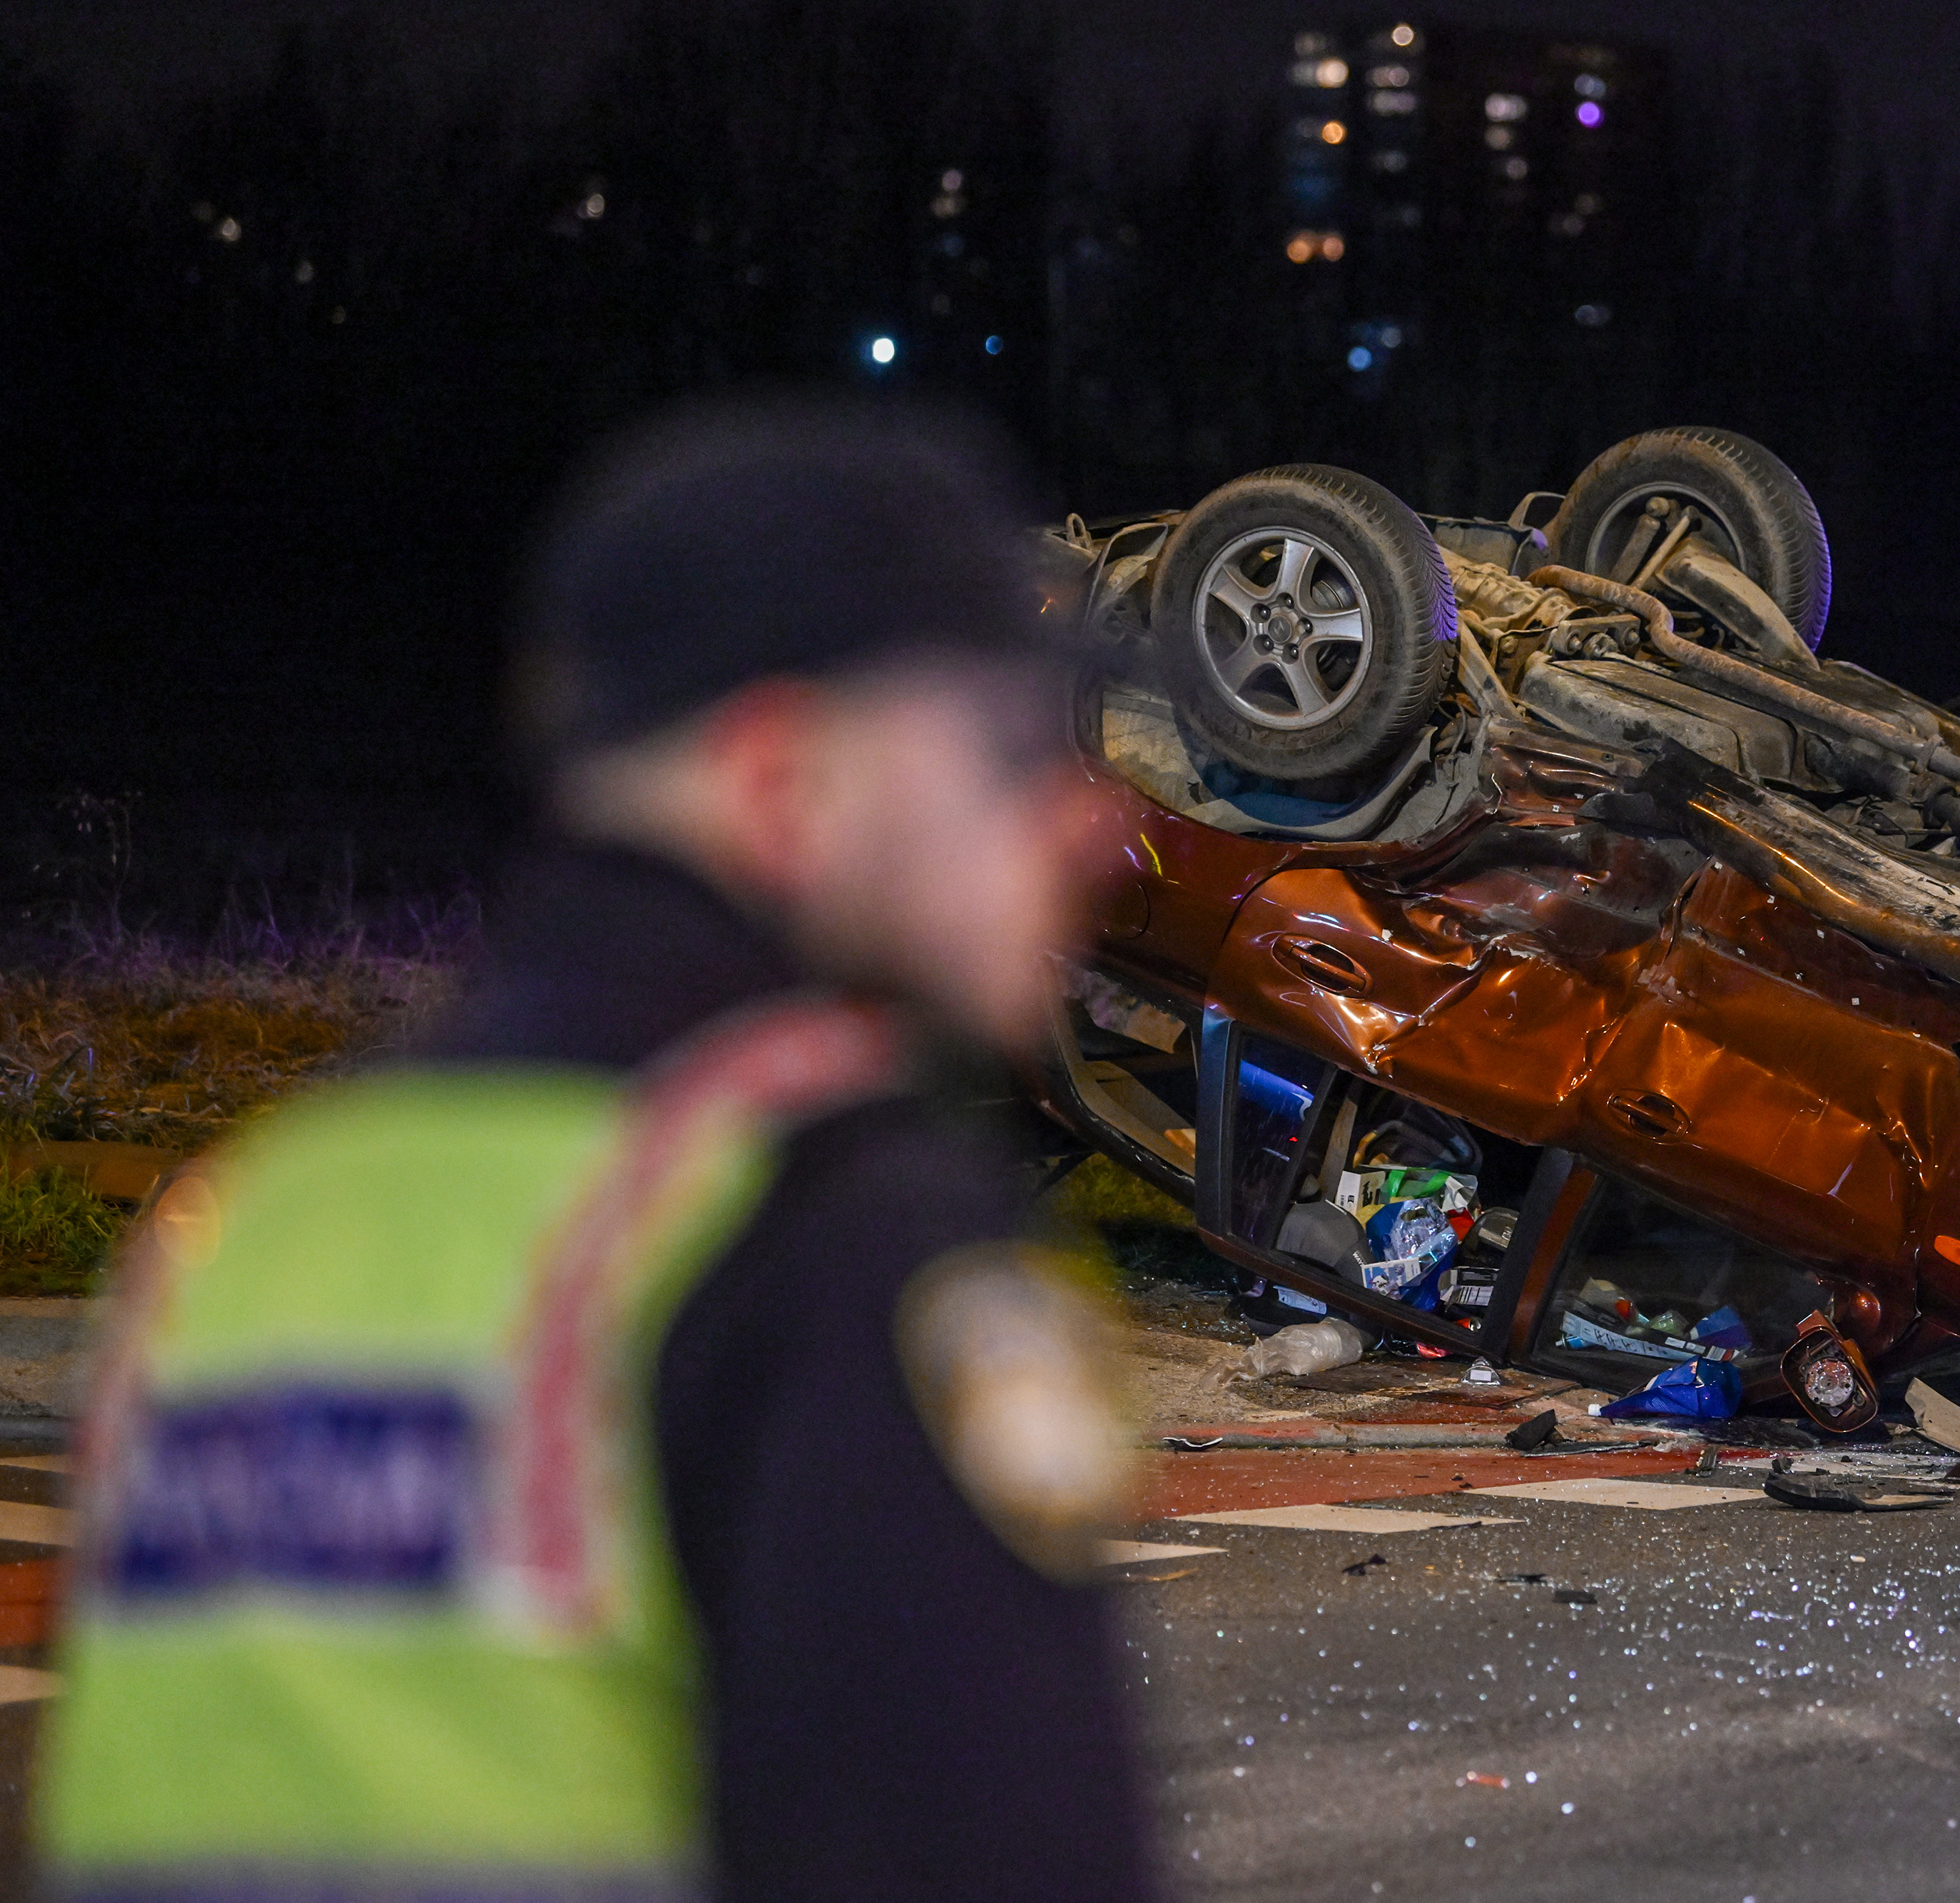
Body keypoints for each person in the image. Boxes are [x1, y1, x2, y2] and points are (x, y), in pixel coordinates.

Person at [38, 398, 1158, 1902]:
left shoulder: (240, 1221)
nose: (1087, 820)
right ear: (784, 777)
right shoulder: (844, 1231)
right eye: (1011, 743)